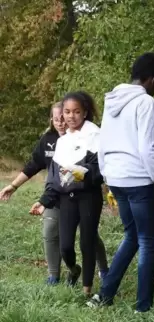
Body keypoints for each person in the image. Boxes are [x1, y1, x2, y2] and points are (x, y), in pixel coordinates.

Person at [87, 52, 154, 313]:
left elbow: (103, 143)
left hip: (116, 177)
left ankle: (104, 296)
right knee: (148, 241)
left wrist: (107, 178)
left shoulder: (112, 100)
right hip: (138, 180)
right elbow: (147, 150)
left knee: (132, 237)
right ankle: (143, 306)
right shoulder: (145, 103)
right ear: (152, 79)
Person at [0, 102, 109, 285]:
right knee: (50, 231)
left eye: (63, 117)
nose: (60, 122)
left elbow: (99, 167)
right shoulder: (48, 140)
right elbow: (33, 165)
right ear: (52, 119)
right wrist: (14, 185)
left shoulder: (84, 138)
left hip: (80, 196)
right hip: (53, 195)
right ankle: (55, 275)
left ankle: (104, 270)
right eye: (56, 118)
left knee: (89, 235)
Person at [30, 91, 109, 296]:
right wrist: (44, 201)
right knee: (65, 246)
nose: (71, 116)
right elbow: (55, 179)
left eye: (76, 112)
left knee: (87, 242)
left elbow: (100, 170)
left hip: (89, 197)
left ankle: (87, 290)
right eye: (67, 112)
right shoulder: (63, 141)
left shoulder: (95, 135)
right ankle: (74, 270)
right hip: (66, 199)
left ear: (85, 113)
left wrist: (81, 174)